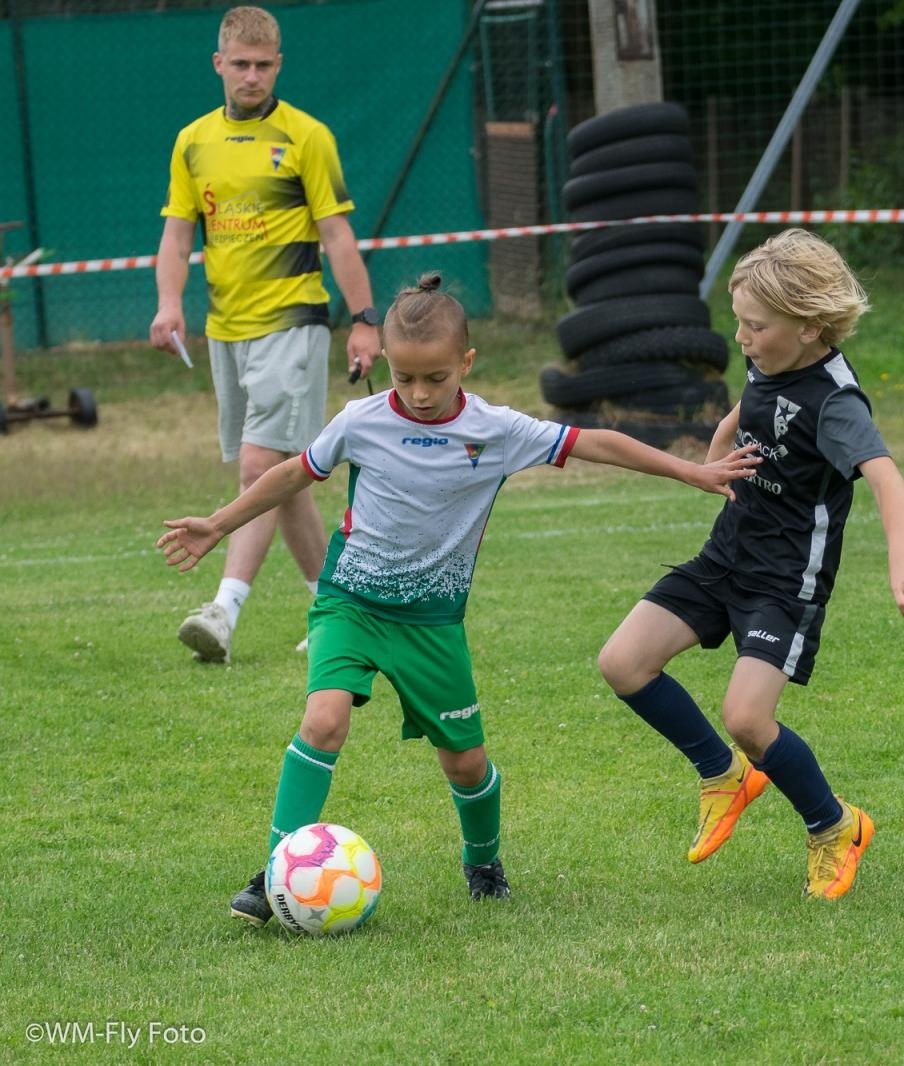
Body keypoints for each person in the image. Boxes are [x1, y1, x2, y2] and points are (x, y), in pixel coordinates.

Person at [156, 273, 761, 924]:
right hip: (351, 604)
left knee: (467, 764)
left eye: (435, 378)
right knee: (324, 720)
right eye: (405, 378)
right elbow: (292, 472)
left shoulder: (495, 429)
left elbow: (596, 443)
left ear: (465, 364)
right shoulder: (361, 420)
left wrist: (691, 469)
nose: (418, 394)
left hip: (433, 624)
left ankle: (483, 863)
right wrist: (219, 523)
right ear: (386, 361)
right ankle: (277, 872)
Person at [597, 229, 904, 900]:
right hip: (726, 553)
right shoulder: (770, 358)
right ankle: (724, 775)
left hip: (783, 584)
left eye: (755, 326)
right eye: (739, 325)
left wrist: (903, 559)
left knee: (749, 718)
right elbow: (751, 403)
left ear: (809, 327)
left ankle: (834, 826)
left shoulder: (836, 404)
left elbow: (886, 477)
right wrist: (715, 453)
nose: (742, 340)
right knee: (623, 662)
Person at [149, 5, 383, 665]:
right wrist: (169, 304)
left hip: (295, 320)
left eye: (263, 64)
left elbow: (337, 235)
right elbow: (176, 232)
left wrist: (364, 321)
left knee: (258, 467)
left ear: (277, 65)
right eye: (240, 64)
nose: (251, 75)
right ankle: (333, 608)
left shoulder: (307, 136)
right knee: (280, 480)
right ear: (219, 65)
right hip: (227, 330)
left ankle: (222, 611)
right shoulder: (193, 140)